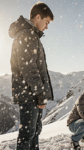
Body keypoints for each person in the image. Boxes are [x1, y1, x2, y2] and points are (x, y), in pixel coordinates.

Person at [9, 2, 54, 150]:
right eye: (46, 22)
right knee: (28, 134)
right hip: (29, 94)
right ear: (38, 16)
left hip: (32, 93)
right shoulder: (27, 34)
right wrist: (39, 92)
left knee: (34, 132)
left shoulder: (31, 35)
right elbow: (29, 68)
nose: (46, 26)